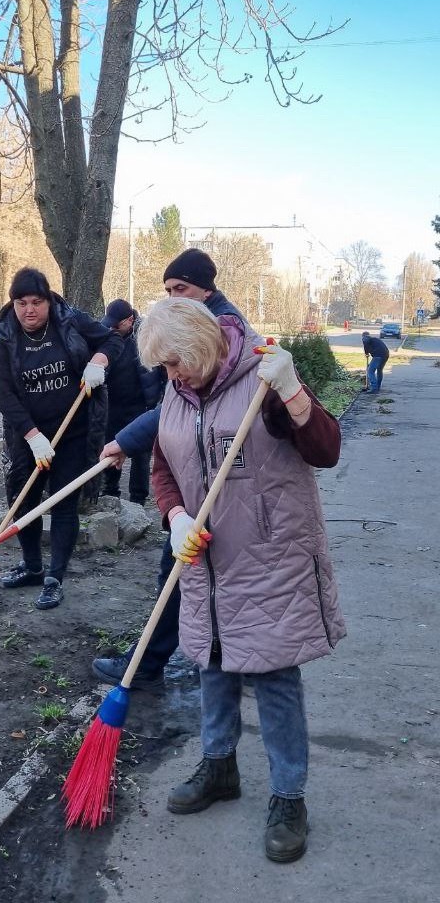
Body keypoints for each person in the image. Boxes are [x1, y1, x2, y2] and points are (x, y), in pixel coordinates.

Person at [139, 296, 345, 862]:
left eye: (176, 363)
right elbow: (163, 468)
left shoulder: (262, 378)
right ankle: (220, 766)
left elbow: (325, 449)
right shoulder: (176, 393)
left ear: (203, 347)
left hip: (269, 560)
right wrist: (175, 517)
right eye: (163, 368)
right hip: (205, 561)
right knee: (211, 664)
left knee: (274, 676)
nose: (171, 375)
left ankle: (288, 798)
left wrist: (294, 392)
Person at [92, 248, 246, 687]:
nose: (174, 298)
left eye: (182, 289)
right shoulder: (198, 324)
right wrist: (126, 442)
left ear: (206, 288)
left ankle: (147, 665)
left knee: (181, 573)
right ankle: (233, 656)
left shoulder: (221, 328)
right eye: (168, 291)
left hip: (215, 480)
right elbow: (175, 406)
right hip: (201, 474)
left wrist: (126, 439)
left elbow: (175, 408)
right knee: (185, 571)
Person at [0, 267, 122, 610]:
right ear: (12, 304)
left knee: (63, 504)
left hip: (73, 434)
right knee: (23, 499)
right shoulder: (4, 337)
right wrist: (32, 436)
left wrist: (99, 361)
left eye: (36, 302)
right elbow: (3, 394)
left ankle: (54, 578)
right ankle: (32, 566)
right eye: (21, 303)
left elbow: (113, 338)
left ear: (48, 300)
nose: (29, 310)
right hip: (27, 437)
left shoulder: (69, 320)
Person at [100, 298, 165, 504]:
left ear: (129, 320)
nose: (112, 328)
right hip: (113, 404)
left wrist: (158, 398)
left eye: (116, 324)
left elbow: (162, 370)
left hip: (140, 404)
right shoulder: (108, 335)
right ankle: (110, 492)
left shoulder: (146, 335)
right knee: (110, 446)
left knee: (141, 454)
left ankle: (138, 498)